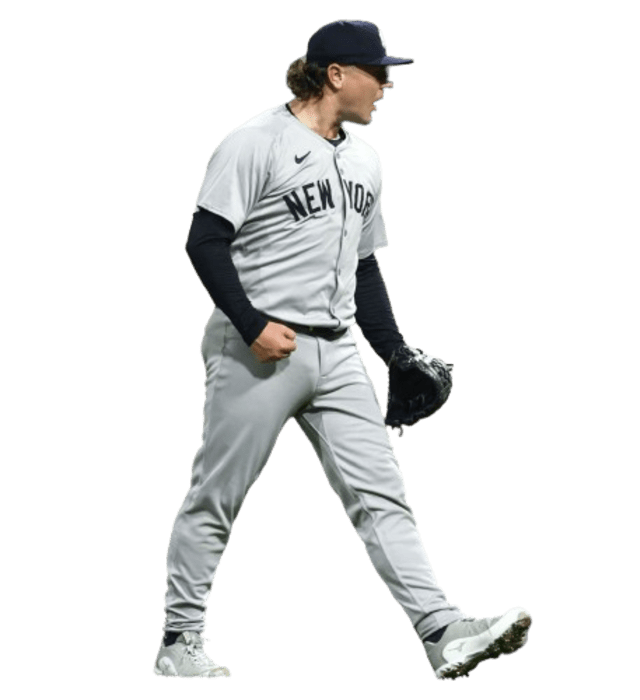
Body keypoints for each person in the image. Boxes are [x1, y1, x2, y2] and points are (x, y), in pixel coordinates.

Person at [152, 18, 533, 682]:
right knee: (218, 495)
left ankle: (441, 631)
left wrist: (394, 352)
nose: (387, 85)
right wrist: (249, 323)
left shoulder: (365, 161)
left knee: (383, 495)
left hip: (338, 354)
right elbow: (204, 240)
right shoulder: (254, 142)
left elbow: (364, 267)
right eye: (378, 72)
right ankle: (179, 642)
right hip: (256, 351)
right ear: (335, 75)